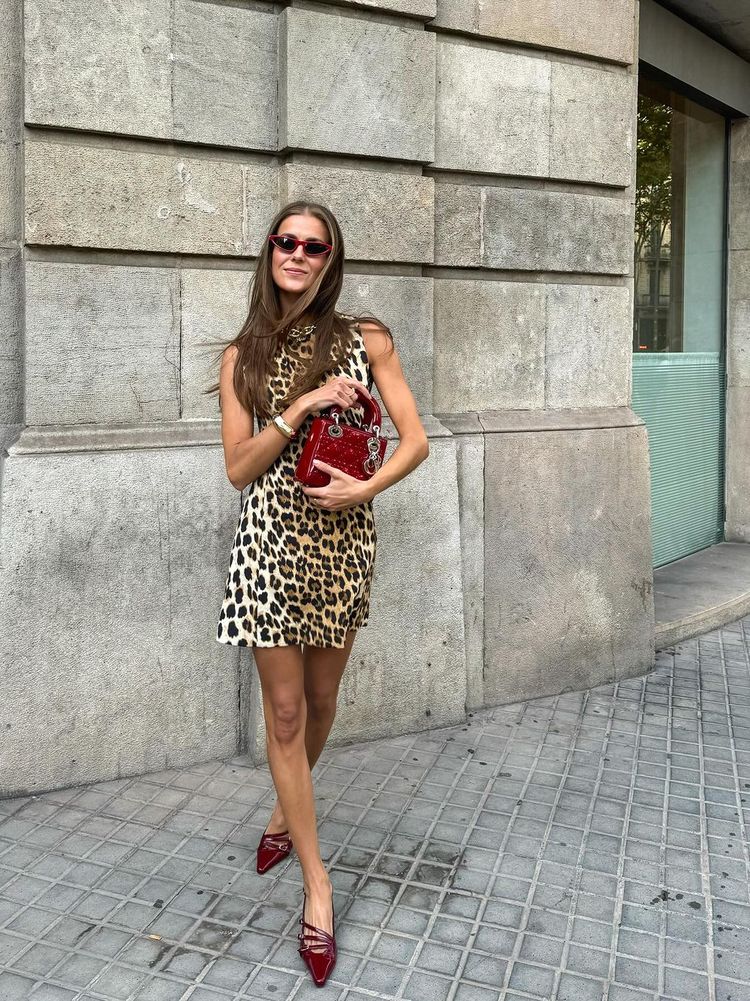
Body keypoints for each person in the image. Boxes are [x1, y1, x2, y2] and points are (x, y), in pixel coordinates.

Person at [207, 200, 429, 986]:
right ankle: (318, 886)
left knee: (326, 701)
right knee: (288, 711)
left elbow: (417, 439)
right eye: (286, 241)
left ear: (330, 259)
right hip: (269, 546)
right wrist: (299, 407)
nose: (297, 253)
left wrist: (365, 485)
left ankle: (280, 812)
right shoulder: (245, 356)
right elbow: (238, 468)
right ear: (270, 251)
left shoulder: (366, 340)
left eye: (313, 245)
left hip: (341, 543)